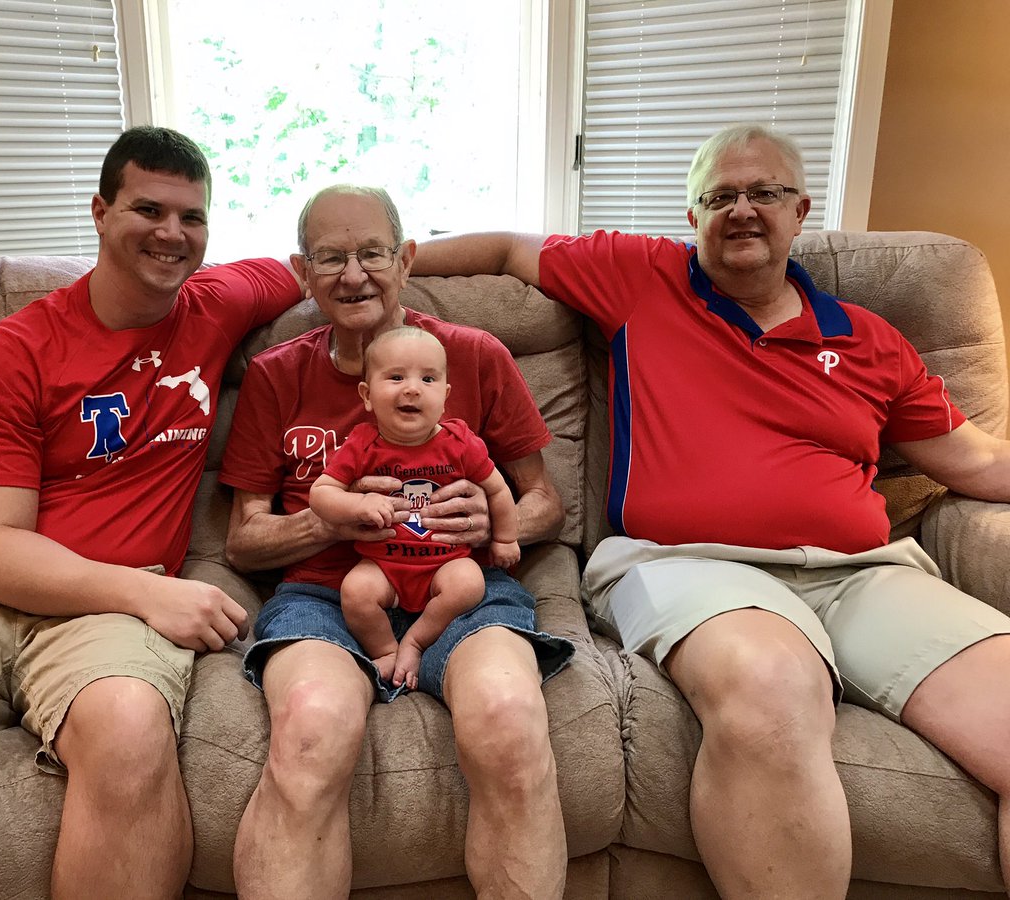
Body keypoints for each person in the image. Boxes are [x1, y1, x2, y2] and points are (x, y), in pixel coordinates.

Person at [411, 122, 1010, 899]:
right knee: (771, 687)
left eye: (764, 193)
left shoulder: (869, 340)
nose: (742, 210)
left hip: (863, 574)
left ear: (800, 211)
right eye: (719, 196)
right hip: (687, 564)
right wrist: (387, 261)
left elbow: (981, 461)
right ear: (691, 219)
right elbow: (504, 250)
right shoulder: (640, 277)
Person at [0, 125, 303, 900]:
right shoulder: (15, 353)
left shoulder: (217, 303)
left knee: (129, 729)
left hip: (102, 625)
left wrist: (427, 256)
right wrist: (151, 592)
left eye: (192, 217)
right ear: (101, 212)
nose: (172, 234)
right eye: (149, 209)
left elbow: (325, 266)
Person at [220, 184, 575, 899]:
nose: (354, 275)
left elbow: (547, 503)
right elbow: (241, 540)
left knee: (508, 718)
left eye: (372, 253)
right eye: (330, 258)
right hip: (327, 594)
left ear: (406, 259)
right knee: (312, 728)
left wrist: (491, 519)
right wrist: (334, 519)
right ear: (302, 273)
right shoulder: (275, 373)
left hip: (461, 585)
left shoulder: (475, 356)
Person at [309, 326, 521, 689]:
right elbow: (321, 492)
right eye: (395, 377)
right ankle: (386, 649)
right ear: (367, 395)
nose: (412, 388)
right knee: (355, 592)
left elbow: (498, 490)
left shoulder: (460, 443)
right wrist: (358, 502)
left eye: (428, 378)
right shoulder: (362, 444)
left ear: (445, 395)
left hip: (445, 563)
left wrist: (505, 539)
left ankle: (417, 640)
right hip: (383, 565)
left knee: (470, 584)